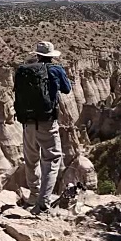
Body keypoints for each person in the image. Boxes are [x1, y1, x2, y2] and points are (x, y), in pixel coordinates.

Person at [13, 41, 72, 214]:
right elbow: (67, 89)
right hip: (46, 122)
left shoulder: (24, 71)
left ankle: (34, 194)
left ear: (37, 55)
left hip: (27, 122)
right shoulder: (56, 69)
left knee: (31, 160)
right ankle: (43, 202)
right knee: (52, 160)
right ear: (52, 56)